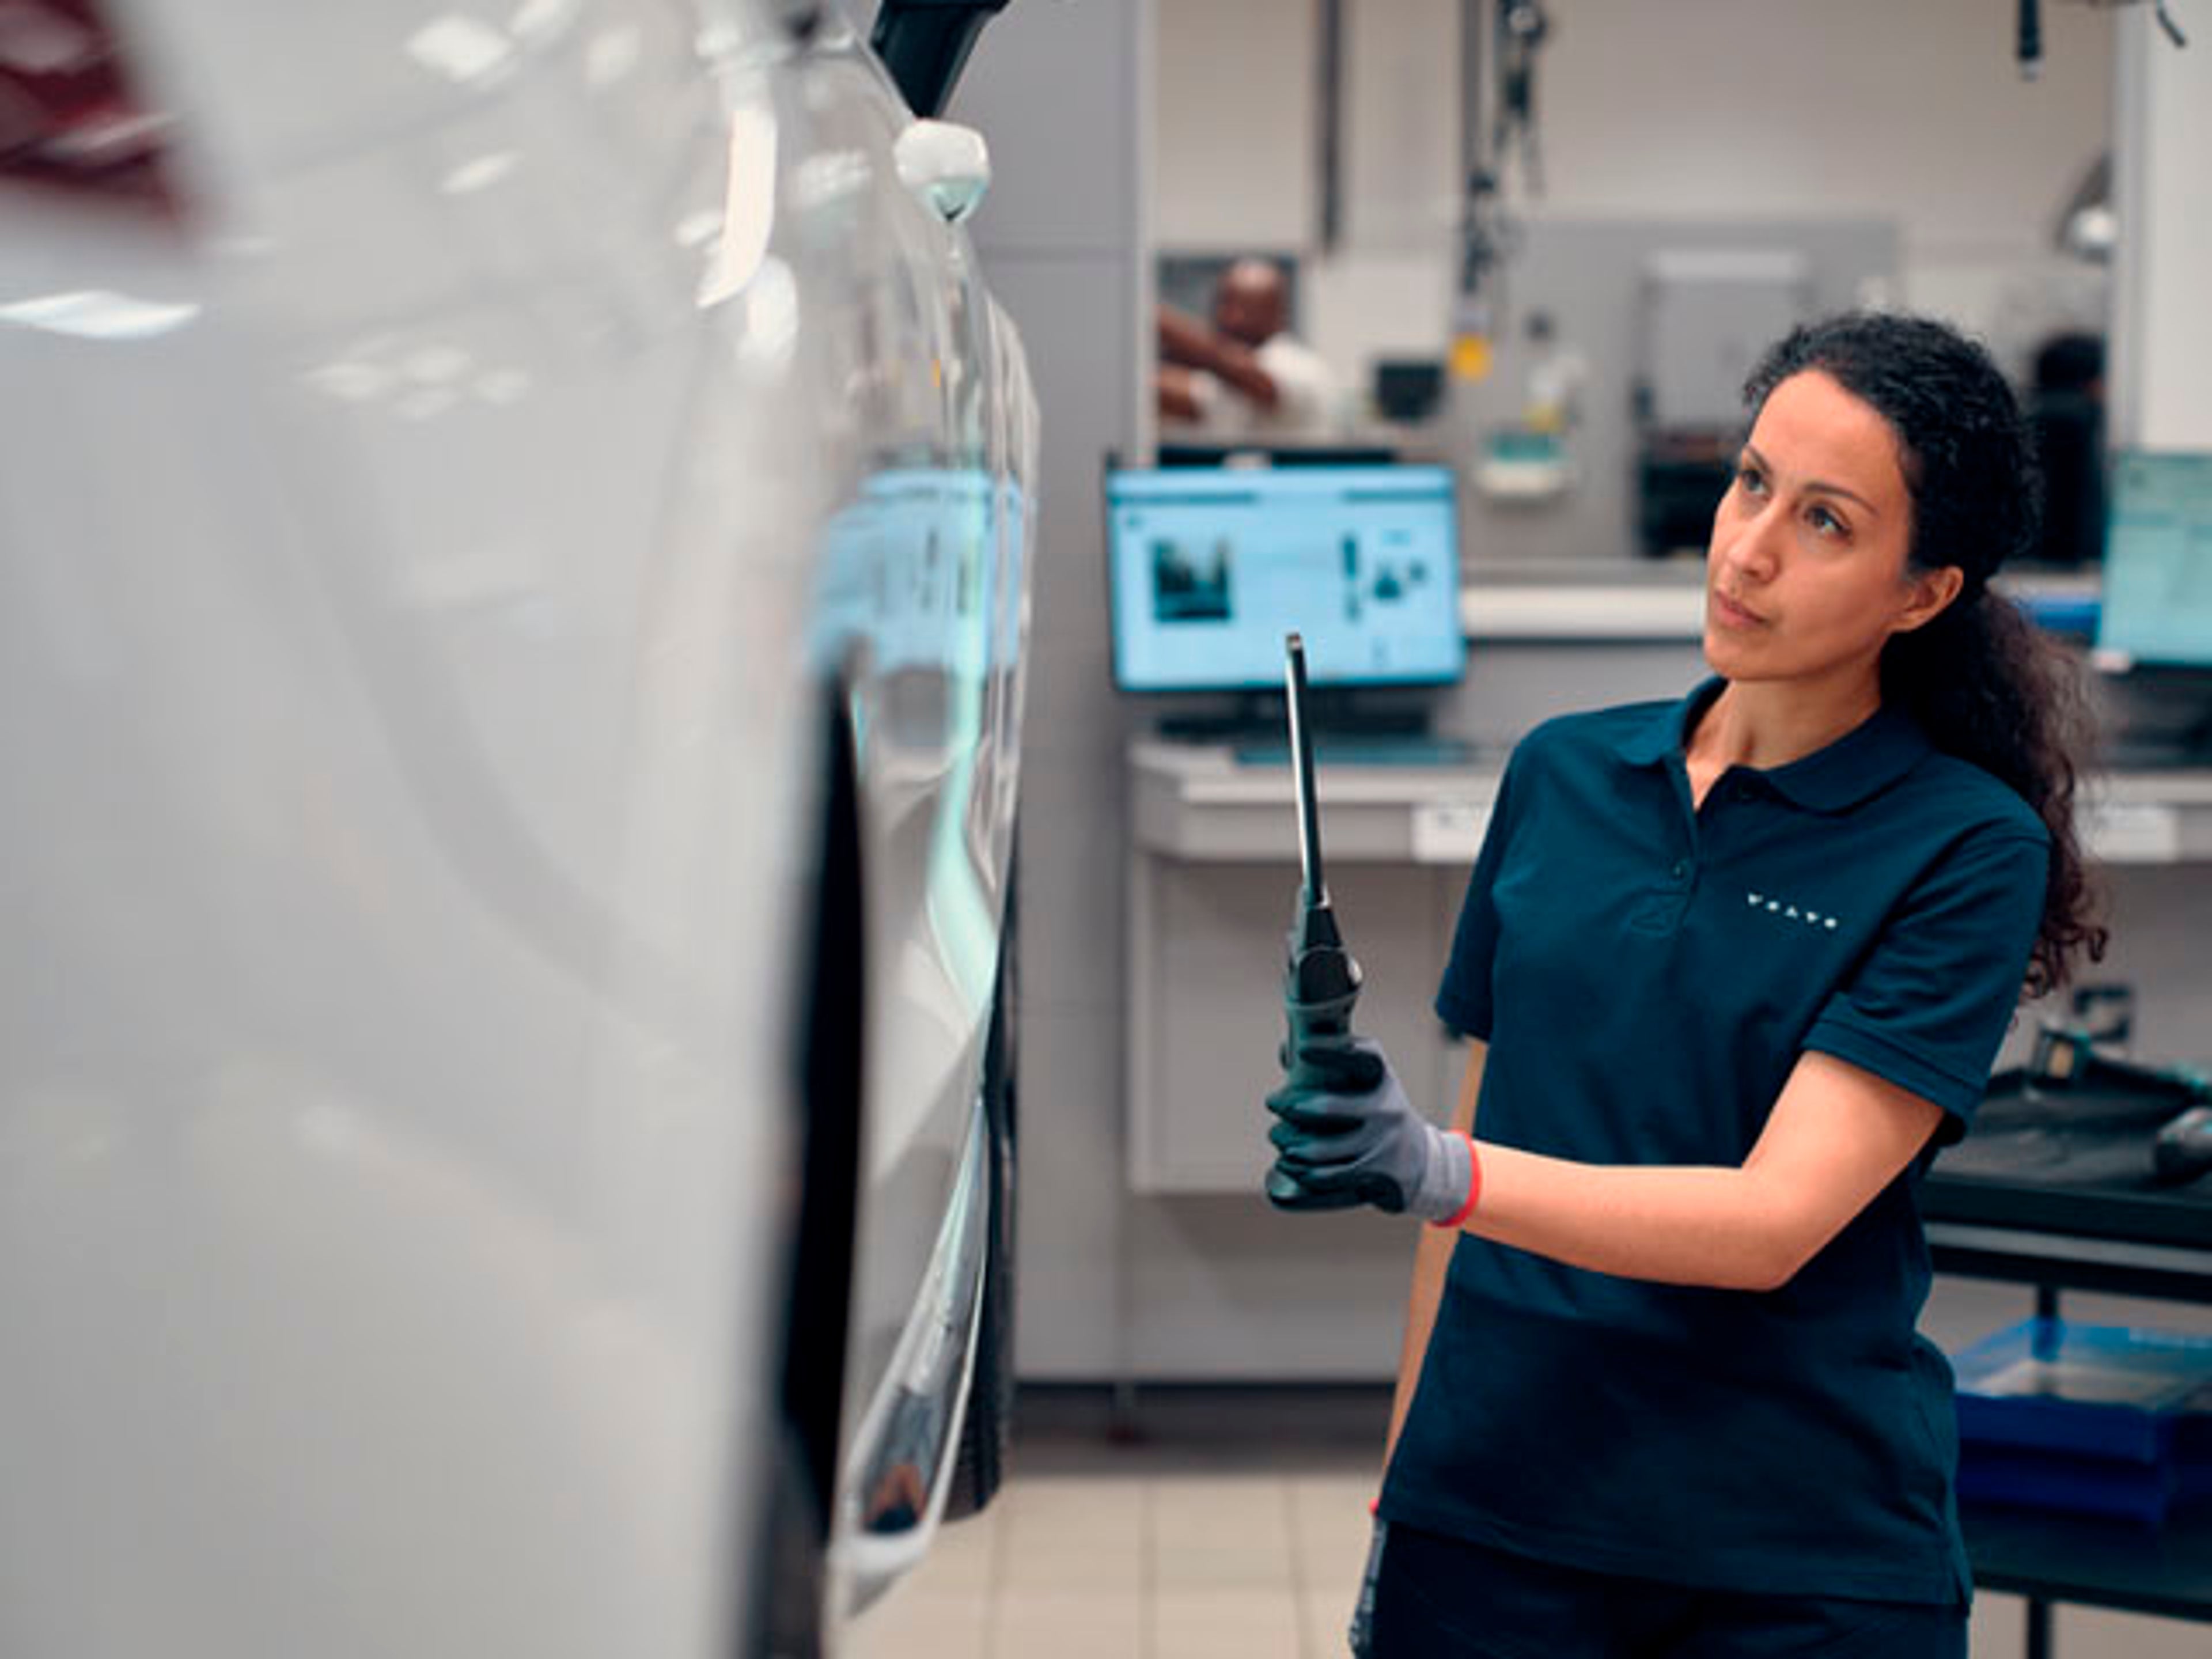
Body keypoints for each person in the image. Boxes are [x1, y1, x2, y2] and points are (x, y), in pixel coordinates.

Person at [1265, 311, 2105, 1657]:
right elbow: (1468, 1182)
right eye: (1751, 481)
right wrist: (1399, 1491)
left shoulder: (1961, 845)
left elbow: (1770, 1220)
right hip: (1491, 1515)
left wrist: (1433, 1167)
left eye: (1824, 521)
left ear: (1920, 593)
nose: (1748, 548)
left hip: (1788, 1553)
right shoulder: (1563, 773)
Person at [1156, 257, 1342, 440]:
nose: (1229, 318)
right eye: (1224, 303)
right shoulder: (1231, 384)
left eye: (1244, 308)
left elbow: (1254, 381)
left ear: (1275, 312)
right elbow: (1176, 393)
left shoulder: (1299, 366)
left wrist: (1159, 322)